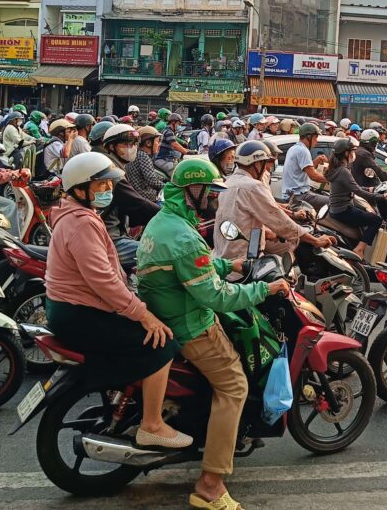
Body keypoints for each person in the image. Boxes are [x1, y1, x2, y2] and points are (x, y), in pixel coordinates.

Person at [137, 159, 290, 510]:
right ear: (193, 191)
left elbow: (193, 268)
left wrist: (228, 264)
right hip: (192, 325)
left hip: (170, 312)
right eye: (209, 192)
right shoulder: (183, 236)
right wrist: (265, 291)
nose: (214, 199)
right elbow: (216, 297)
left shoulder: (166, 222)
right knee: (235, 386)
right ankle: (210, 484)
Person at [46, 153, 192, 450]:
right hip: (79, 313)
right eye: (100, 186)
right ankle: (152, 424)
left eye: (108, 185)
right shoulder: (81, 222)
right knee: (162, 343)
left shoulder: (74, 214)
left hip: (72, 307)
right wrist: (142, 314)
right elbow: (103, 281)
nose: (107, 192)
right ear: (80, 189)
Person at [214, 140, 334, 261]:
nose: (267, 168)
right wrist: (315, 240)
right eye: (265, 163)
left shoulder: (229, 183)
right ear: (257, 164)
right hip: (245, 260)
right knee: (290, 251)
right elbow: (279, 221)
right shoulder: (252, 186)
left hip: (224, 255)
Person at [325, 138, 387, 258]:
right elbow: (358, 191)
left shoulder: (336, 169)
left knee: (365, 214)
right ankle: (359, 249)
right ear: (346, 153)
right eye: (351, 151)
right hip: (343, 210)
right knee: (376, 220)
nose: (353, 154)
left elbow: (354, 187)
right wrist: (381, 197)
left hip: (337, 208)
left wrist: (370, 189)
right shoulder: (343, 171)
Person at [101, 124, 161, 248]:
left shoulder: (116, 166)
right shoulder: (113, 174)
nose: (133, 148)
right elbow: (137, 203)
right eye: (127, 144)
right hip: (111, 237)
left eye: (134, 144)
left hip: (116, 230)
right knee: (157, 252)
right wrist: (165, 214)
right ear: (112, 147)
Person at [280, 123, 329, 208]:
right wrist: (333, 179)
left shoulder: (294, 148)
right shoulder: (303, 151)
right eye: (315, 137)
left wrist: (317, 160)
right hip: (298, 196)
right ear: (309, 137)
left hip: (293, 194)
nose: (317, 140)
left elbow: (303, 169)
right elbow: (314, 176)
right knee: (334, 202)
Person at [126, 126, 167, 202]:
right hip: (144, 199)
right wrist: (169, 187)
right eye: (157, 141)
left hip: (137, 196)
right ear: (148, 143)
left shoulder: (137, 153)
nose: (159, 145)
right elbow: (152, 181)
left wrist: (162, 178)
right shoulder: (143, 156)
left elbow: (149, 174)